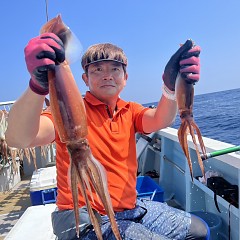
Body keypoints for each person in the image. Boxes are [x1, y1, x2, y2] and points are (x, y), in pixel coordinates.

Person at [6, 32, 210, 240]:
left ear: (125, 78)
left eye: (115, 69)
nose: (107, 75)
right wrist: (38, 86)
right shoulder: (71, 111)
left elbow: (160, 119)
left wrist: (171, 86)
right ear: (85, 79)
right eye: (97, 70)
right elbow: (19, 139)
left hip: (129, 209)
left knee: (198, 231)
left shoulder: (130, 110)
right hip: (83, 218)